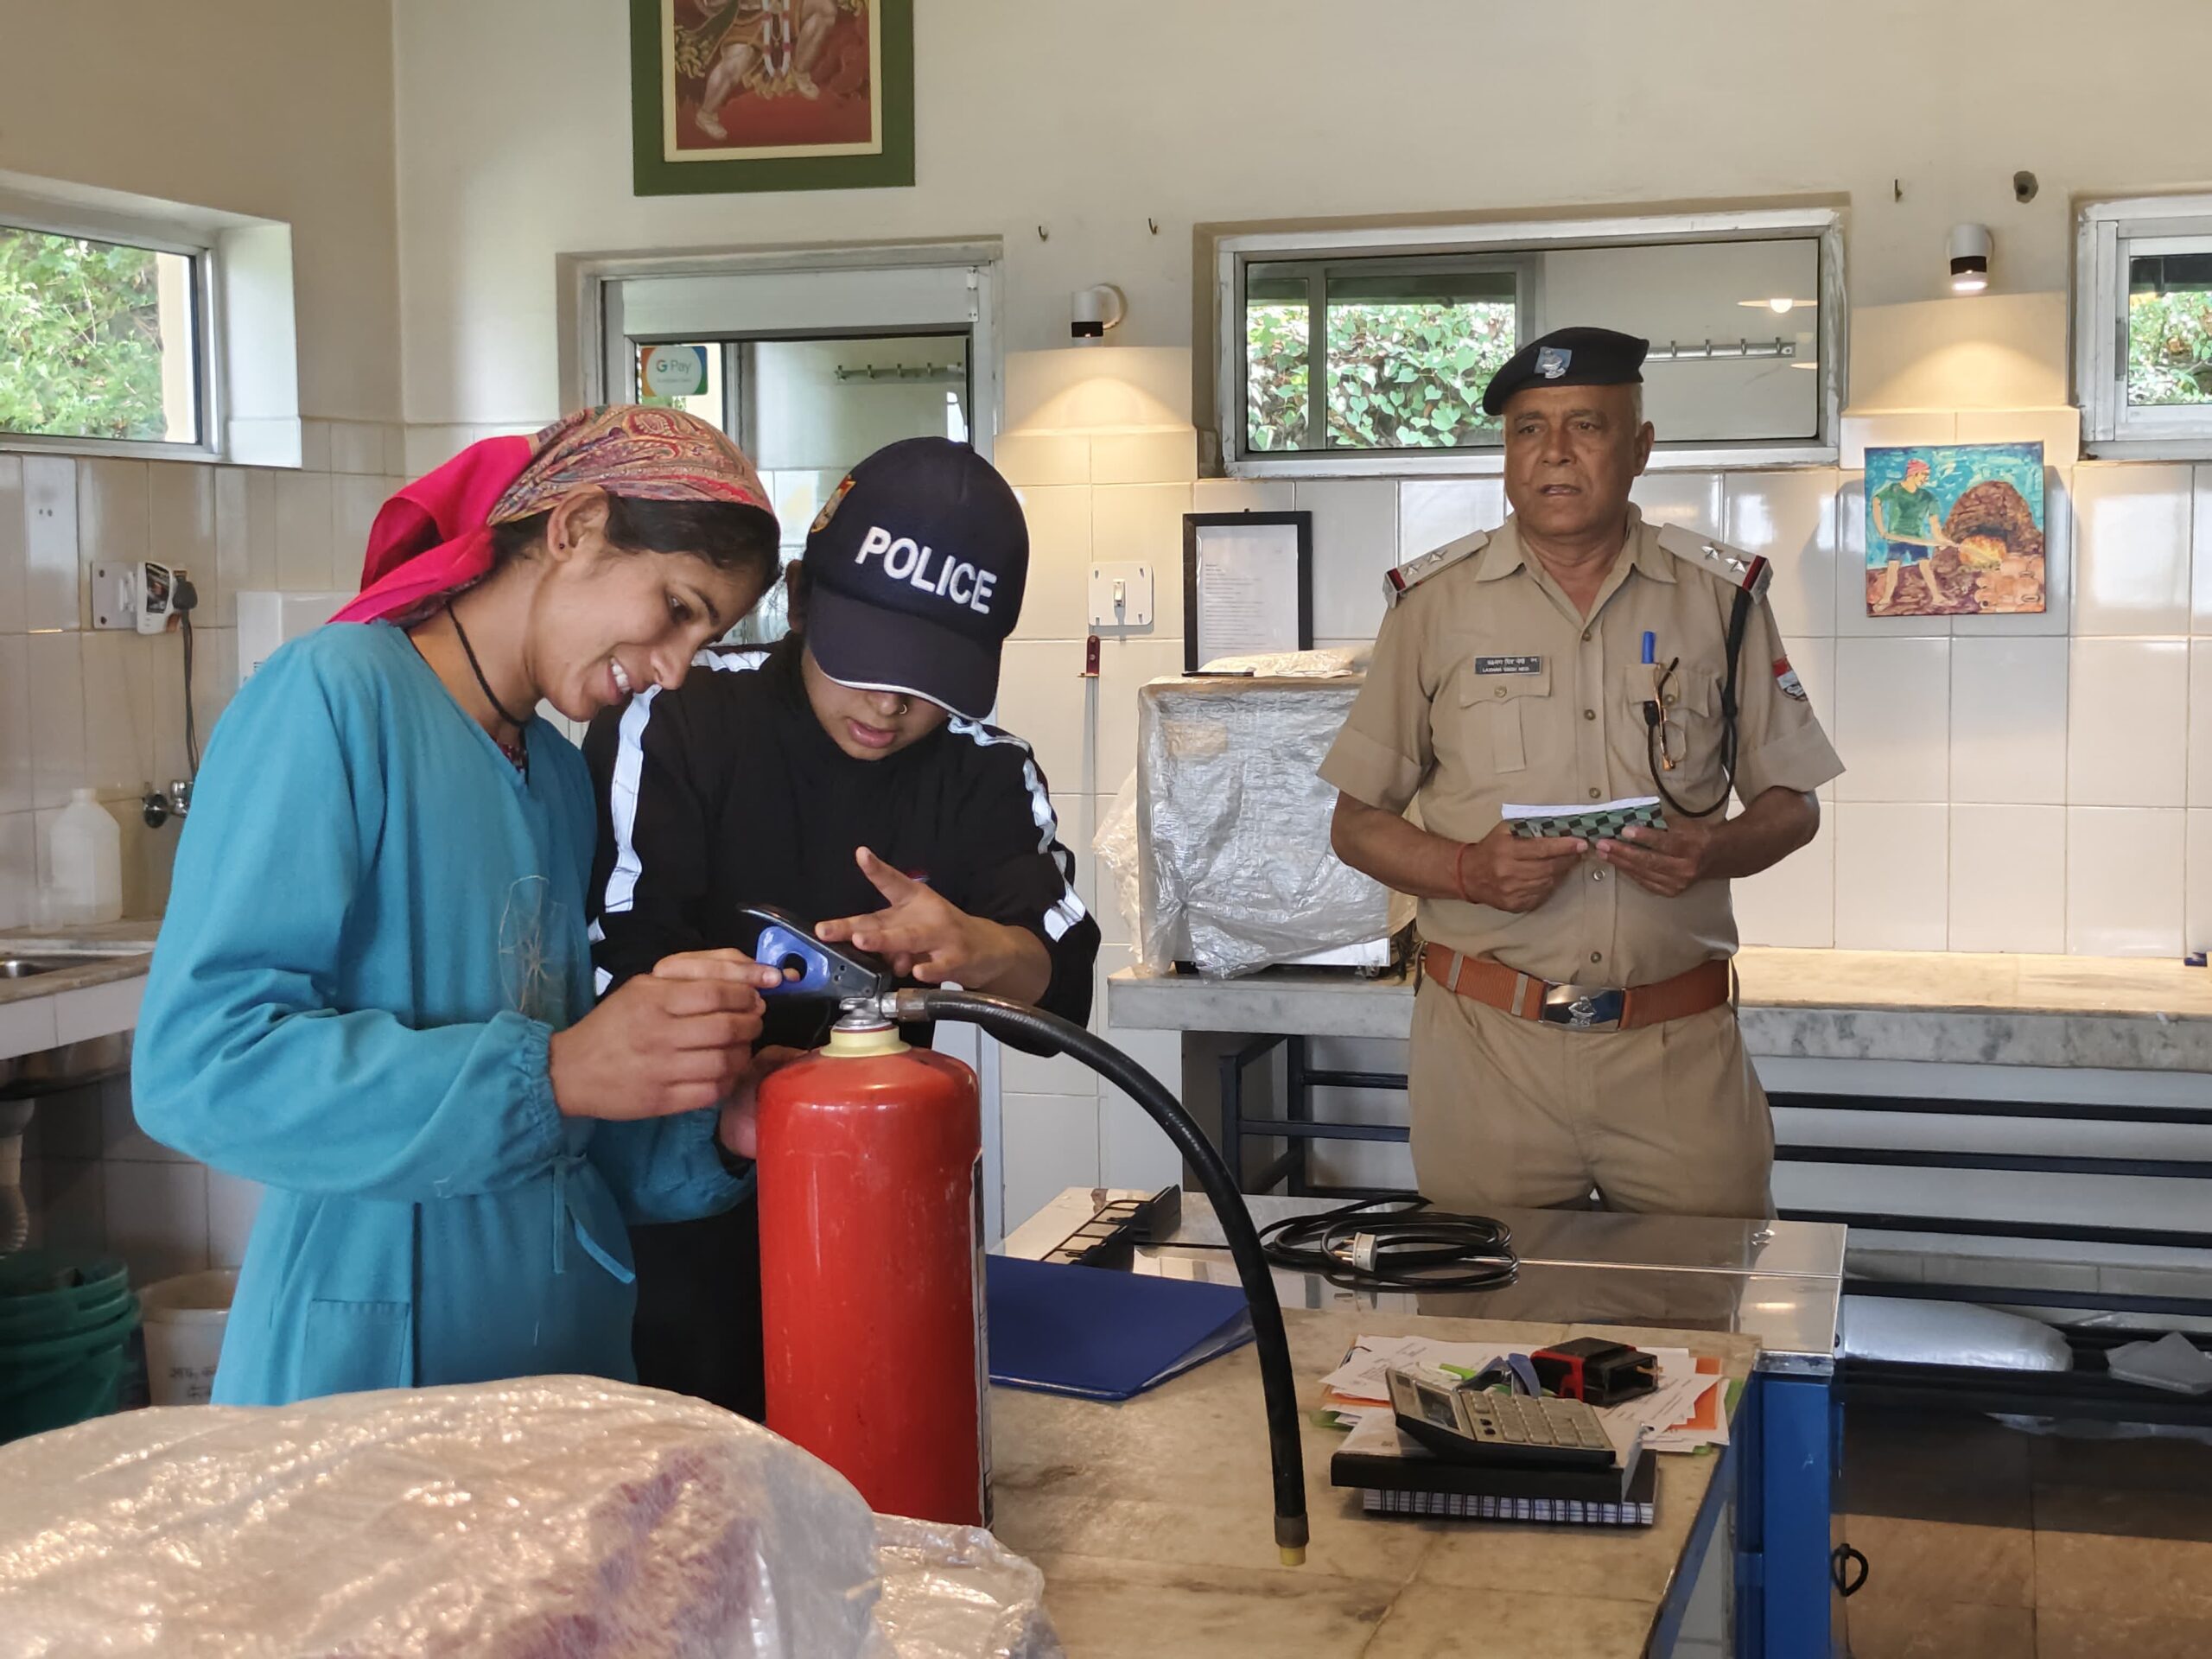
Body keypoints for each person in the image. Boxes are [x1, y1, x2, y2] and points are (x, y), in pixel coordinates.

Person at [133, 406, 791, 1406]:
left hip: (555, 1368)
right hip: (369, 1378)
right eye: (676, 607)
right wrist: (558, 1069)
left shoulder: (556, 779)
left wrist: (709, 1115)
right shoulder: (335, 696)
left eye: (705, 636)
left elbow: (558, 1128)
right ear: (575, 527)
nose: (674, 667)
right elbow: (200, 1066)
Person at [586, 435, 1099, 1419]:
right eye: (865, 660)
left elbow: (1061, 978)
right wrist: (744, 1087)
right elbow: (615, 960)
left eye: (928, 676)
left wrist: (979, 948)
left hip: (877, 1201)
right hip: (677, 1209)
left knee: (879, 1442)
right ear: (802, 599)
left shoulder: (984, 767)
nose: (889, 703)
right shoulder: (682, 715)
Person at [1322, 327, 1843, 1220]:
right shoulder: (1432, 608)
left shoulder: (1720, 601)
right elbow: (1355, 823)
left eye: (1586, 426)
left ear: (1639, 448)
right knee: (1493, 1306)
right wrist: (1466, 871)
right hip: (1488, 1053)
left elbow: (1792, 806)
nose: (1554, 452)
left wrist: (1710, 850)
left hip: (1677, 1055)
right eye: (1528, 429)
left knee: (1702, 1297)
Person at [1869, 455, 1957, 613]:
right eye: (1924, 475)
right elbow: (1876, 500)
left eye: (1927, 476)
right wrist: (1881, 529)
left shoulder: (1928, 497)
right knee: (1893, 568)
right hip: (1897, 537)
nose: (1926, 479)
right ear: (1913, 474)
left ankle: (1937, 597)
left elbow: (1934, 524)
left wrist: (1941, 540)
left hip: (1917, 538)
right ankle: (1886, 599)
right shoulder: (1895, 490)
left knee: (1925, 566)